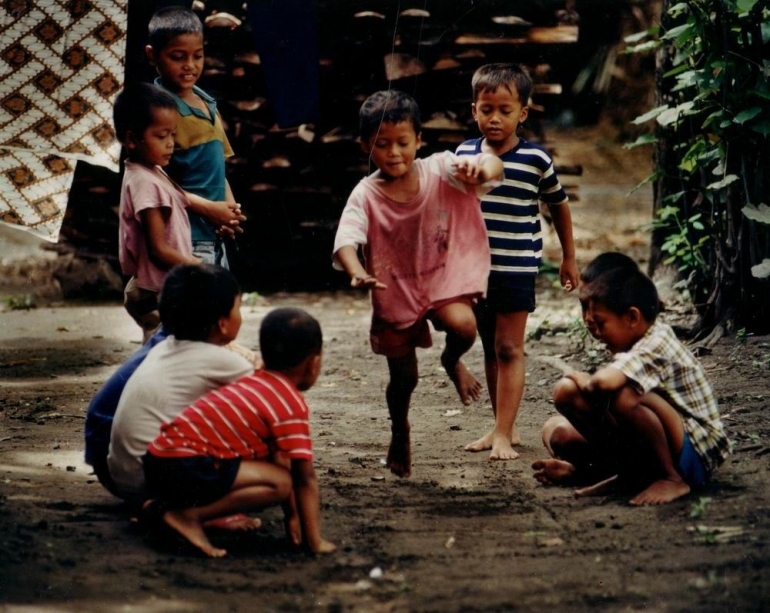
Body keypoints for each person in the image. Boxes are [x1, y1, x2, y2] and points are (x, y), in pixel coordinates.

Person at [332, 90, 504, 478]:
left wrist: (482, 171)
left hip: (443, 279)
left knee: (464, 326)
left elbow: (492, 163)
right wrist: (355, 269)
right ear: (365, 146)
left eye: (403, 142)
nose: (394, 153)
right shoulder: (365, 194)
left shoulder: (441, 168)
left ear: (419, 140)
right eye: (382, 144)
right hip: (395, 291)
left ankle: (450, 359)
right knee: (404, 378)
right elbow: (346, 238)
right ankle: (400, 429)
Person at [456, 63, 579, 461]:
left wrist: (569, 258)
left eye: (505, 110)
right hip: (474, 270)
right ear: (474, 110)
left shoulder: (534, 159)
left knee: (509, 348)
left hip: (516, 267)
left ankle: (504, 433)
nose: (495, 118)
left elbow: (559, 205)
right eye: (486, 109)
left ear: (522, 113)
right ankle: (501, 427)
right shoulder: (463, 154)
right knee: (491, 348)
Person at [143, 307, 337, 558]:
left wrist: (292, 516)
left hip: (158, 461)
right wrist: (314, 541)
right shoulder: (289, 403)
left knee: (273, 471)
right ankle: (187, 515)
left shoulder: (252, 380)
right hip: (184, 464)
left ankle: (162, 508)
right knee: (279, 483)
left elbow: (281, 457)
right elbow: (304, 478)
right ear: (314, 363)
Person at [532, 263, 730, 505]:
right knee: (558, 425)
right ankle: (623, 475)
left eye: (601, 323)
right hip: (672, 443)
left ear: (632, 317)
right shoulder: (636, 341)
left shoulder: (656, 341)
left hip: (698, 453)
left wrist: (578, 375)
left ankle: (671, 478)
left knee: (623, 395)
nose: (596, 331)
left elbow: (603, 384)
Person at [107, 264, 254, 506]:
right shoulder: (223, 361)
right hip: (155, 481)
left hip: (124, 479)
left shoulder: (162, 348)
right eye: (237, 308)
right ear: (222, 323)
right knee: (276, 482)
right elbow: (268, 397)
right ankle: (192, 515)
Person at [146, 6, 245, 268]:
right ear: (152, 55)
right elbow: (153, 183)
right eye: (178, 57)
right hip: (185, 238)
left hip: (214, 236)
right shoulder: (158, 113)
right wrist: (210, 210)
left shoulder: (207, 103)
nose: (190, 65)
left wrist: (230, 211)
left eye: (198, 56)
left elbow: (217, 169)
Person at [115, 82, 203, 342]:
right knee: (163, 346)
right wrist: (197, 265)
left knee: (164, 344)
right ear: (132, 139)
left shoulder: (149, 171)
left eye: (172, 135)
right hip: (158, 289)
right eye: (161, 136)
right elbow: (158, 249)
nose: (170, 144)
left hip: (155, 283)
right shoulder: (145, 183)